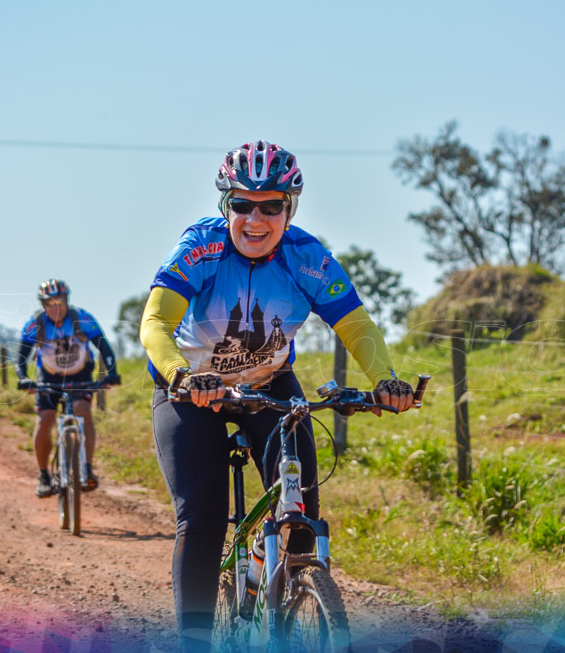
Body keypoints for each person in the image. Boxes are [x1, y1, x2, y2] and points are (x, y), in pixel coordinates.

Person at [140, 140, 415, 652]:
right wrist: (180, 373)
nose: (256, 218)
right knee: (201, 520)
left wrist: (386, 380)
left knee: (303, 512)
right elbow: (156, 322)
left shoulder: (307, 258)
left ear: (290, 208)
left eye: (272, 206)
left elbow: (356, 325)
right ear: (227, 206)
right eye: (243, 204)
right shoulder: (200, 247)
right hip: (192, 391)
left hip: (268, 386)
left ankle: (283, 601)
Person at [16, 278, 121, 498]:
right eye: (50, 303)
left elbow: (104, 347)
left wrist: (111, 373)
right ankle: (44, 475)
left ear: (67, 300)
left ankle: (87, 467)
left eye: (60, 302)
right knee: (45, 419)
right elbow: (21, 357)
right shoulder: (35, 324)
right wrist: (23, 378)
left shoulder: (81, 318)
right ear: (43, 305)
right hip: (49, 376)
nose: (56, 307)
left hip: (80, 373)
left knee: (83, 410)